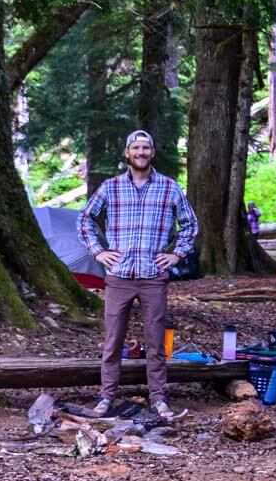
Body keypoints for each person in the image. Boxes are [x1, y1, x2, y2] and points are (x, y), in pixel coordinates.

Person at [78, 130, 198, 418]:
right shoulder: (111, 187)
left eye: (146, 148)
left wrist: (176, 254)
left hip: (153, 275)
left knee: (156, 341)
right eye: (136, 148)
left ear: (152, 153)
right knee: (113, 341)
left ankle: (158, 398)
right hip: (118, 275)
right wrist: (98, 251)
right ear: (127, 154)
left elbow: (190, 224)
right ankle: (106, 397)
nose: (141, 153)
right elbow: (85, 219)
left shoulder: (169, 188)